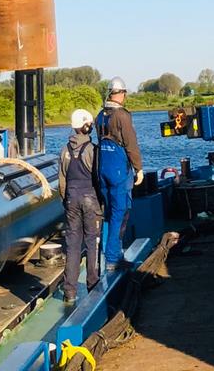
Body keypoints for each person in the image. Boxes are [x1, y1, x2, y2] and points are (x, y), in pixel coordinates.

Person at [95, 77, 143, 271]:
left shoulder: (100, 115)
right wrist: (138, 168)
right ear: (121, 93)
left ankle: (105, 254)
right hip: (117, 169)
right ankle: (113, 258)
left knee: (108, 212)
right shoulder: (122, 116)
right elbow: (131, 144)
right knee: (119, 212)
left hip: (102, 167)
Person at [58, 108, 101, 309]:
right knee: (92, 242)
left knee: (72, 245)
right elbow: (98, 177)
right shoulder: (92, 150)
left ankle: (70, 291)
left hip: (71, 199)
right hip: (89, 198)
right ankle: (93, 285)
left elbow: (62, 180)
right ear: (86, 126)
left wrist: (66, 200)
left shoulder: (65, 150)